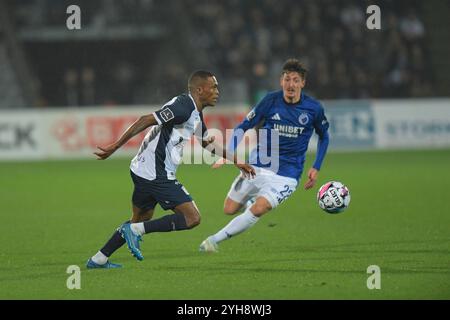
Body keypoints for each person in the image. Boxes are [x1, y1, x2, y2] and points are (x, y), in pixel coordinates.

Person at [87, 70, 255, 268]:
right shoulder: (183, 107)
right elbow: (145, 119)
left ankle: (99, 259)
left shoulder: (194, 111)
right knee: (192, 218)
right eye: (214, 86)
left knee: (140, 219)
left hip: (141, 169)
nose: (218, 91)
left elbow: (206, 143)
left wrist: (236, 160)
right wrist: (115, 146)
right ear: (200, 90)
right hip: (156, 173)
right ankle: (134, 231)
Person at [199, 58, 330, 252]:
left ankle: (212, 241)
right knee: (229, 209)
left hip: (287, 174)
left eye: (295, 80)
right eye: (287, 79)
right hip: (257, 164)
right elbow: (244, 126)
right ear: (281, 81)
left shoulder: (313, 108)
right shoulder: (270, 101)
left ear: (303, 83)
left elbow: (324, 137)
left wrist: (316, 166)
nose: (290, 84)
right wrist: (228, 153)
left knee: (259, 209)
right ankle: (250, 201)